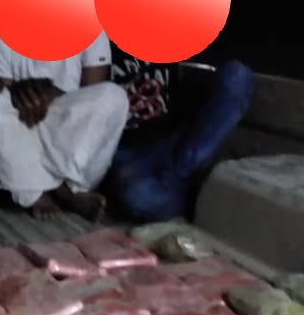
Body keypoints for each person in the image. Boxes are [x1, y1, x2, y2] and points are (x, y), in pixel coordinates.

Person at [0, 30, 129, 221]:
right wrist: (19, 93)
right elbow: (3, 107)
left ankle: (70, 187)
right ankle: (44, 193)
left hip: (67, 137)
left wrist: (51, 93)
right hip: (25, 128)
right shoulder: (0, 40)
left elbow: (93, 99)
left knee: (113, 96)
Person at [104, 45, 255, 222]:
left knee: (238, 75)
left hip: (176, 143)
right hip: (130, 154)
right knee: (138, 197)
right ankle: (188, 189)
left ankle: (178, 176)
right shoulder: (98, 47)